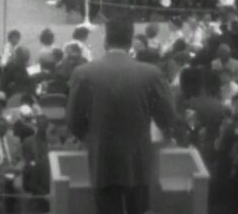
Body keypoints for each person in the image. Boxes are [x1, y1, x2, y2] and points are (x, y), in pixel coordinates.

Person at [67, 15, 178, 214]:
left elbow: (74, 123)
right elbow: (168, 117)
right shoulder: (150, 74)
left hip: (102, 161)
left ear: (106, 41)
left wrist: (93, 138)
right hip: (139, 161)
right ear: (130, 42)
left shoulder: (83, 73)